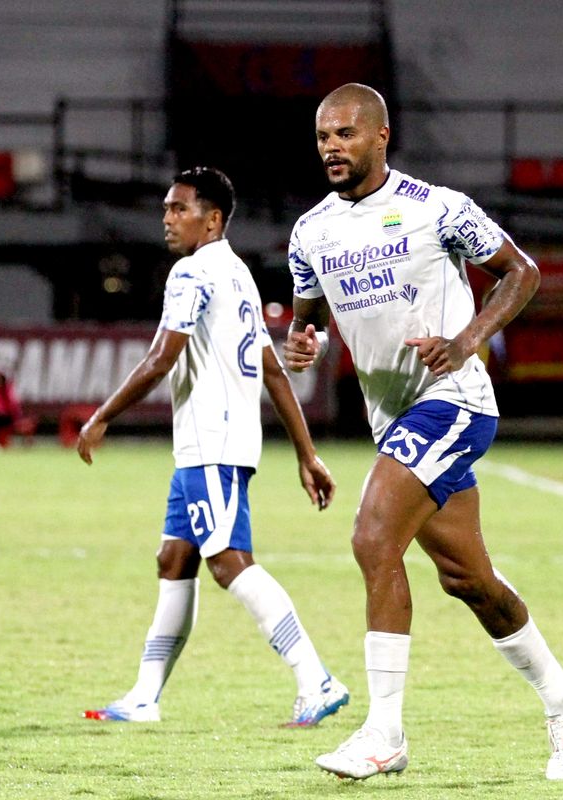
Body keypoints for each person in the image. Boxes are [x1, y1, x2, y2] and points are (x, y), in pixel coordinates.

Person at [283, 83, 563, 780]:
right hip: (391, 417)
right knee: (468, 579)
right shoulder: (310, 231)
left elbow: (522, 272)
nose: (332, 147)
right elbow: (304, 321)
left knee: (373, 536)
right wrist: (299, 344)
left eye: (345, 134)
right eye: (323, 137)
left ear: (381, 136)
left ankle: (384, 733)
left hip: (453, 400)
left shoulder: (438, 208)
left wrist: (466, 339)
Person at [77, 167, 349, 727]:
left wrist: (102, 416)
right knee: (175, 560)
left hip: (212, 444)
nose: (168, 219)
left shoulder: (193, 273)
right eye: (166, 210)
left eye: (180, 209)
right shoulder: (238, 275)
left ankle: (315, 678)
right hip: (207, 448)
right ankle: (145, 696)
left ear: (214, 219)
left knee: (228, 563)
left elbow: (161, 358)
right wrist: (306, 452)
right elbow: (273, 369)